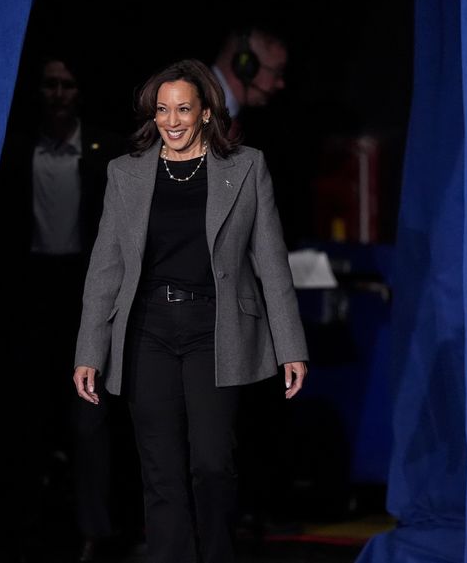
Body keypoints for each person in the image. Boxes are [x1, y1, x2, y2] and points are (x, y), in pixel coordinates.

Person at [72, 58, 309, 563]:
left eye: (183, 109)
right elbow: (105, 269)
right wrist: (89, 351)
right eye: (162, 110)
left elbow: (271, 261)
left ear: (205, 113)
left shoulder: (245, 167)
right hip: (147, 329)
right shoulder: (126, 173)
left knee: (212, 463)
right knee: (161, 471)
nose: (171, 121)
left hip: (214, 328)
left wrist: (292, 347)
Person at [0, 53, 126, 561]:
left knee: (89, 418)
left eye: (67, 85)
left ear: (80, 92)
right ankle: (24, 531)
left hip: (84, 295)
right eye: (50, 85)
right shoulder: (16, 152)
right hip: (29, 295)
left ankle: (93, 532)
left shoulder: (103, 153)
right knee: (25, 421)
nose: (58, 94)